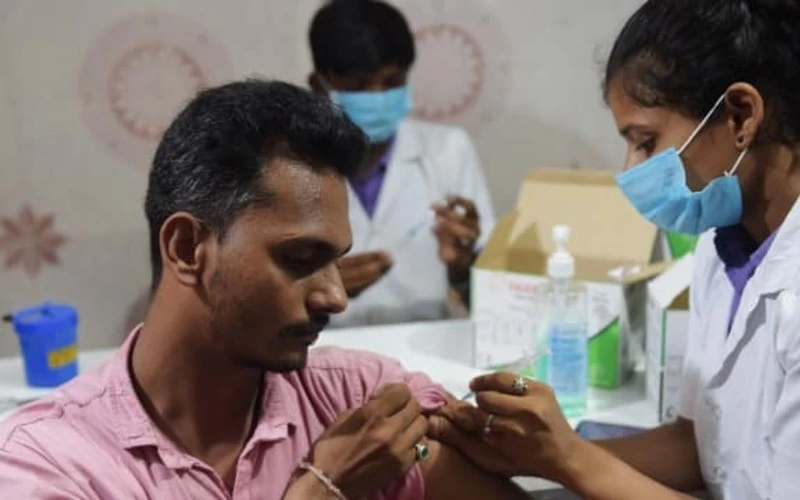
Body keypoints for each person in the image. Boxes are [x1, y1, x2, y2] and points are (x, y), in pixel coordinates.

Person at [0, 80, 527, 499]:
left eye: (336, 261)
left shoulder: (356, 401)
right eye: (300, 259)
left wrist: (555, 452)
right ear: (187, 247)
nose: (336, 297)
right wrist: (324, 489)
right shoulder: (49, 462)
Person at [429, 0, 800, 498]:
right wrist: (532, 452)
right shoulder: (721, 251)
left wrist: (569, 457)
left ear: (740, 116)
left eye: (645, 141)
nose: (630, 169)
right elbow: (698, 446)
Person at [307, 0, 496, 327]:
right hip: (324, 346)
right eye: (359, 86)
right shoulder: (293, 164)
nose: (378, 97)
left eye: (392, 81)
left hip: (423, 342)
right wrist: (316, 287)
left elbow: (490, 296)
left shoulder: (448, 150)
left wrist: (462, 267)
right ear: (319, 86)